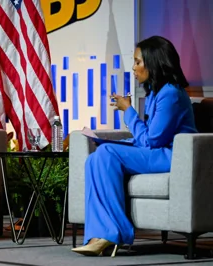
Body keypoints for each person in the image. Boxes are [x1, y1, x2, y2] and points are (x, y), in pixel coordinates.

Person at [72, 35, 197, 256]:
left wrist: (128, 111)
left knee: (106, 153)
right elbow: (146, 138)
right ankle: (99, 234)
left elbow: (152, 140)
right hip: (156, 152)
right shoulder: (156, 93)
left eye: (138, 62)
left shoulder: (171, 94)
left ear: (154, 62)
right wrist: (118, 141)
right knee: (95, 157)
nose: (134, 67)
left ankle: (113, 234)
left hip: (171, 156)